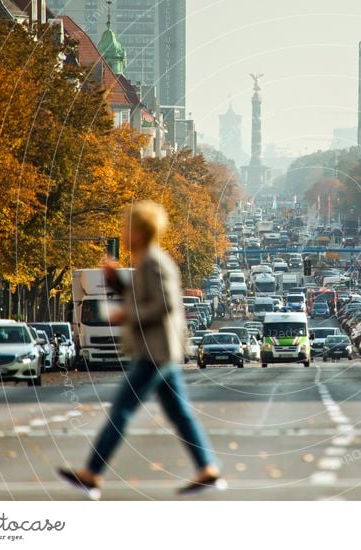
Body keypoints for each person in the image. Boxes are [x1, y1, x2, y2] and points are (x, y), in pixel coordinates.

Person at [58, 201, 224, 499]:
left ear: (139, 231)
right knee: (180, 414)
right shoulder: (148, 261)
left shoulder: (154, 262)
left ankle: (92, 473)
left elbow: (165, 304)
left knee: (122, 410)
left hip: (155, 350)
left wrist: (126, 315)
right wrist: (116, 284)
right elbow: (142, 297)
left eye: (127, 227)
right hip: (160, 350)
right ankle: (207, 468)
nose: (123, 232)